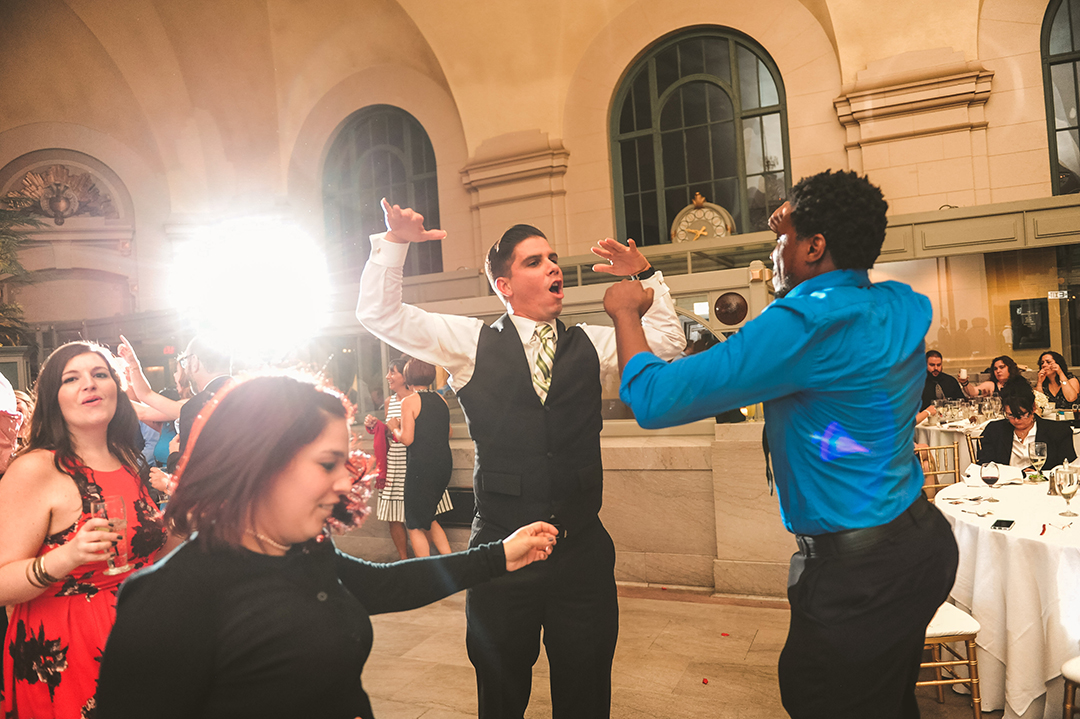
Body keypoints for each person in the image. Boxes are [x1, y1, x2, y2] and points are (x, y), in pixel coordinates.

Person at [602, 170, 958, 719]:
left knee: (820, 697)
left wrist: (629, 311)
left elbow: (654, 399)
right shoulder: (898, 304)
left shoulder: (804, 324)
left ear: (815, 246)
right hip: (919, 544)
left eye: (782, 237)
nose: (775, 250)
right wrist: (652, 272)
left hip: (856, 576)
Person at [356, 199, 684, 718]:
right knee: (501, 690)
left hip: (583, 553)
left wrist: (645, 277)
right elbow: (380, 315)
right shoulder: (471, 342)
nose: (553, 266)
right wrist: (395, 243)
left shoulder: (589, 344)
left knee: (586, 689)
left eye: (552, 258)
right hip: (501, 551)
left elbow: (666, 345)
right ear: (503, 284)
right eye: (534, 261)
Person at [94, 373, 558, 719]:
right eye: (328, 463)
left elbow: (385, 586)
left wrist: (498, 556)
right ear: (259, 462)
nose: (345, 481)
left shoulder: (306, 551)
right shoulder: (168, 600)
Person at [0, 342, 168, 718]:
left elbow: (147, 555)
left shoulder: (128, 458)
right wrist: (65, 558)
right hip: (66, 645)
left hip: (136, 633)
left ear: (116, 389)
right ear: (52, 399)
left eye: (100, 375)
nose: (89, 385)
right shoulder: (35, 469)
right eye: (71, 378)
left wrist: (186, 522)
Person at [389, 358, 454, 557]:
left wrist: (395, 428)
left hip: (421, 467)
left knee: (415, 523)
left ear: (408, 377)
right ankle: (452, 562)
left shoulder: (409, 401)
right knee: (429, 517)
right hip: (443, 465)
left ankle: (423, 572)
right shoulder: (440, 400)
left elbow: (407, 439)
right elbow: (448, 432)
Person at [363, 357, 412, 560]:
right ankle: (404, 560)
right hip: (393, 464)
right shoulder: (389, 402)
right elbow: (388, 433)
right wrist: (375, 424)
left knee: (418, 516)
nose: (388, 377)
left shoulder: (416, 398)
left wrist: (397, 427)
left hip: (412, 462)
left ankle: (426, 560)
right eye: (388, 372)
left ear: (405, 376)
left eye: (393, 372)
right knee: (394, 517)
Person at [978, 384, 1077, 469]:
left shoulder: (1059, 431)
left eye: (1022, 414)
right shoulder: (994, 430)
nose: (1016, 420)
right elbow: (985, 465)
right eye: (1010, 415)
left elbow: (1068, 466)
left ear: (1033, 408)